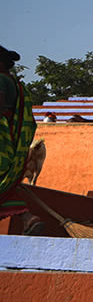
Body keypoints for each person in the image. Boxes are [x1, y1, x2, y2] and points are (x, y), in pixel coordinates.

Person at [0, 44, 43, 234]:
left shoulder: (1, 81)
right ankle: (28, 218)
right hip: (10, 142)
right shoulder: (16, 84)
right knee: (5, 186)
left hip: (2, 140)